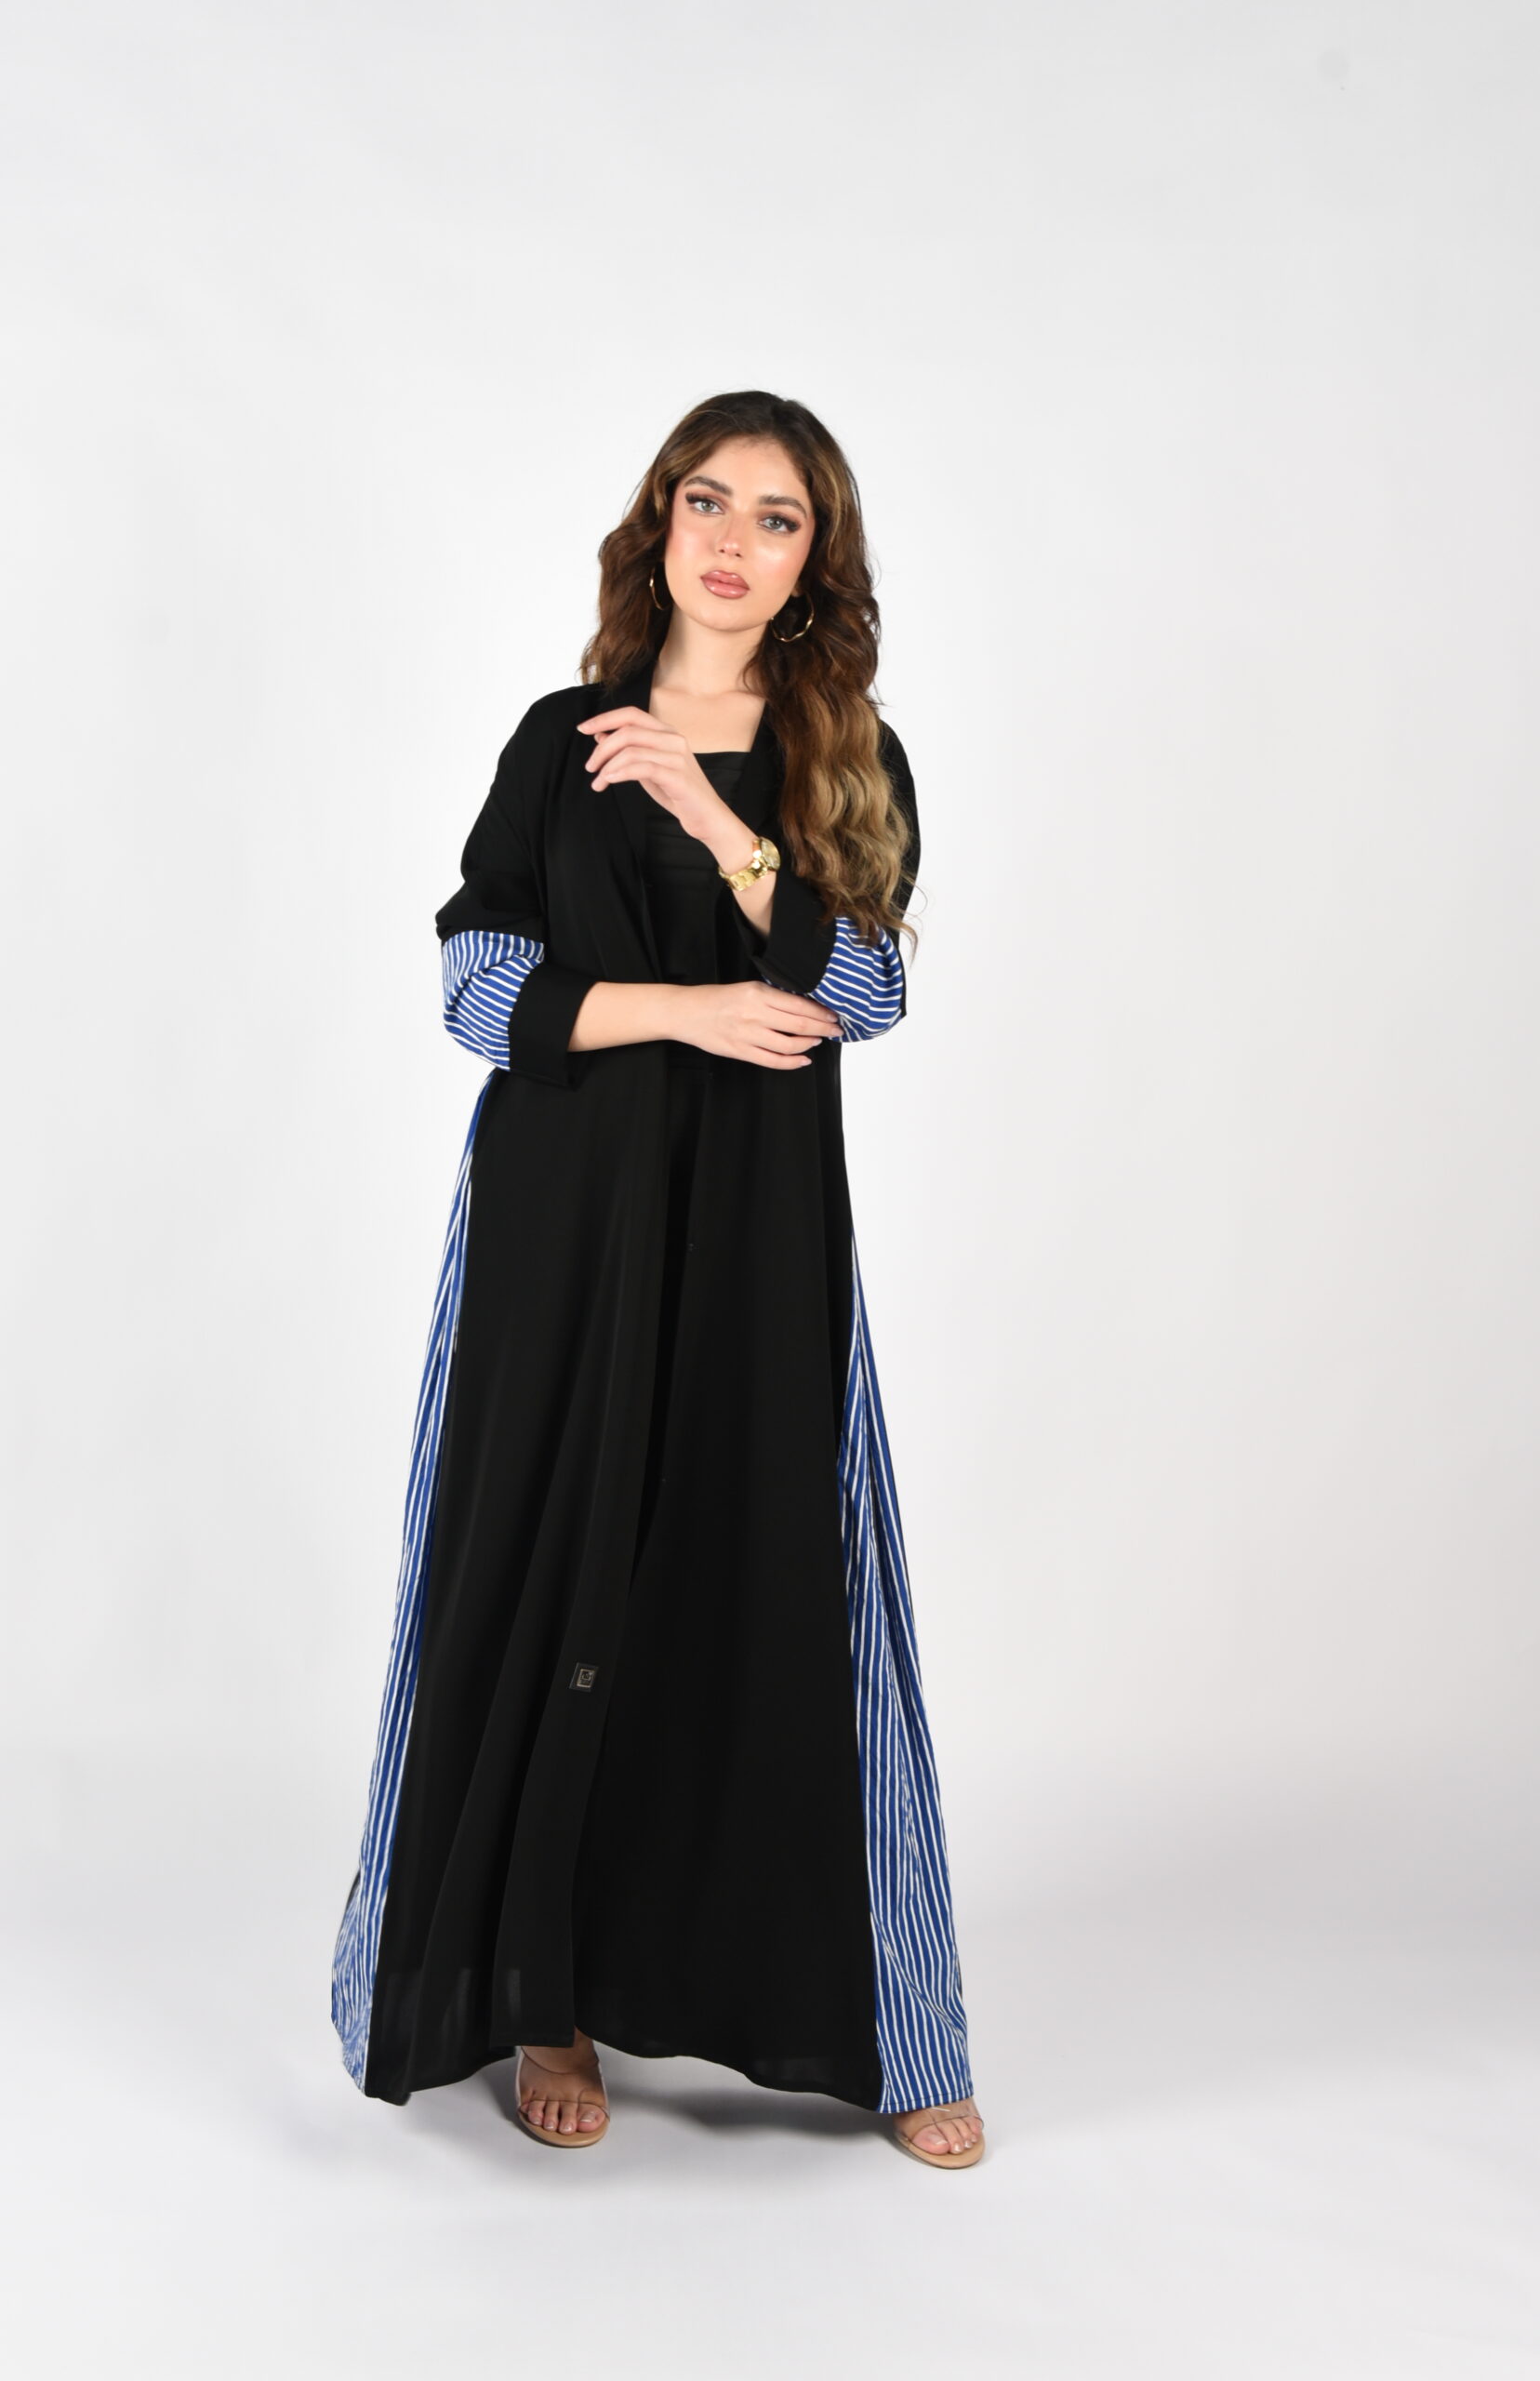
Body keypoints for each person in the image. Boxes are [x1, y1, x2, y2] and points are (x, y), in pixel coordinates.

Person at [331, 389, 985, 2169]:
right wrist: (691, 1010)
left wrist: (714, 817)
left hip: (758, 1223)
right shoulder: (559, 740)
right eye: (707, 501)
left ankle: (889, 2026)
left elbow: (862, 995)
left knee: (774, 1572)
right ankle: (544, 1993)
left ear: (814, 561)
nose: (733, 541)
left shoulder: (845, 752)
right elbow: (481, 993)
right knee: (546, 1566)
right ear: (659, 522)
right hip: (562, 1218)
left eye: (777, 517)